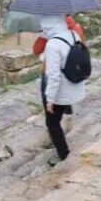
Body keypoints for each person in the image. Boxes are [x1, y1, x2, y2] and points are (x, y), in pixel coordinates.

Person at [41, 14, 86, 165]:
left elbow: (53, 76)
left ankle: (63, 153)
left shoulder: (52, 45)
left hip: (61, 91)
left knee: (52, 123)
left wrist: (50, 99)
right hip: (75, 85)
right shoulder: (74, 34)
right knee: (57, 120)